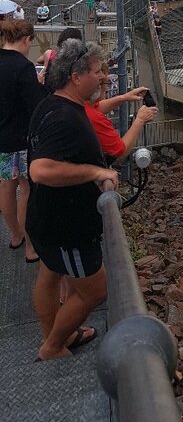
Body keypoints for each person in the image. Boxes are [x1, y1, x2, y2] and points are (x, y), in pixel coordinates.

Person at [26, 40, 118, 361]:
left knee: (49, 275)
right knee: (96, 290)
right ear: (76, 77)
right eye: (96, 73)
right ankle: (52, 346)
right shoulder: (65, 119)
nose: (102, 78)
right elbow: (40, 169)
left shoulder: (50, 104)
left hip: (44, 219)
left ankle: (56, 336)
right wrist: (94, 171)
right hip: (68, 227)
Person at [0, 19, 46, 262]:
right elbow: (35, 105)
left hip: (2, 138)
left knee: (7, 186)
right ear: (26, 40)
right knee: (26, 189)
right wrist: (40, 85)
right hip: (22, 138)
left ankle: (15, 236)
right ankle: (31, 247)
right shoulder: (23, 67)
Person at [86, 65, 157, 164]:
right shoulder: (95, 118)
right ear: (98, 85)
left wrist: (125, 97)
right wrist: (140, 120)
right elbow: (118, 154)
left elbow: (97, 106)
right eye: (107, 82)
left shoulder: (81, 103)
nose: (107, 87)